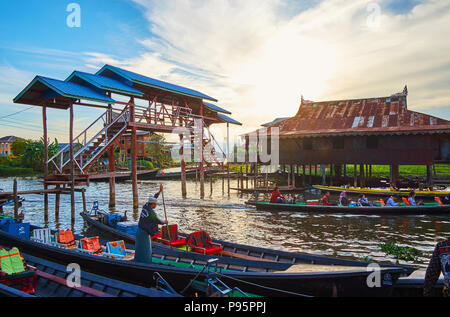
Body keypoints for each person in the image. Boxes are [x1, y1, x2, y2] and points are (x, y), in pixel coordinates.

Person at [134, 184, 167, 264]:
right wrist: (164, 222)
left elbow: (154, 198)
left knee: (140, 248)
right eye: (155, 204)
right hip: (144, 233)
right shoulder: (151, 213)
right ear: (152, 204)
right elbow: (158, 221)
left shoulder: (145, 206)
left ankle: (139, 260)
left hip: (140, 231)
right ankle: (145, 262)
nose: (156, 205)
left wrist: (159, 192)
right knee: (145, 249)